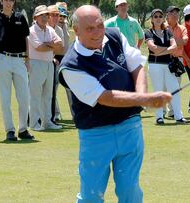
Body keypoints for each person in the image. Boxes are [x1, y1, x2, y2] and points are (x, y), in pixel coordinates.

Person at [59, 5, 172, 202]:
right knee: (91, 197)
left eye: (100, 25)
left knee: (131, 192)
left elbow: (136, 66)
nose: (97, 32)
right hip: (95, 134)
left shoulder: (114, 35)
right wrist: (145, 100)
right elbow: (104, 97)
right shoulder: (70, 65)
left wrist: (142, 95)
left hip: (130, 126)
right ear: (76, 31)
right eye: (90, 29)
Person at [0, 0, 34, 141]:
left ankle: (23, 129)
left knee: (24, 97)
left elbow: (26, 39)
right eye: (6, 0)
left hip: (20, 59)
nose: (8, 3)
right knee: (5, 98)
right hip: (3, 59)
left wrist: (27, 58)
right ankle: (10, 130)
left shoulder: (20, 18)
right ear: (1, 1)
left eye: (11, 0)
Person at [145, 9, 190, 125]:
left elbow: (174, 46)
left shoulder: (168, 32)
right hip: (155, 65)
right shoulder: (148, 32)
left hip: (168, 65)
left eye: (160, 16)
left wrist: (160, 52)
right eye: (155, 16)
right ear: (152, 19)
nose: (158, 18)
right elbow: (152, 47)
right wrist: (165, 50)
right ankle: (159, 117)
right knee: (159, 91)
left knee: (174, 89)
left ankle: (178, 116)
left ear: (163, 18)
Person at [28, 5, 63, 131]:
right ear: (36, 17)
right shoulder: (31, 30)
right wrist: (51, 45)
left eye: (46, 15)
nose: (45, 17)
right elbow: (39, 47)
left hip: (49, 63)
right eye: (42, 15)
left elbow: (60, 45)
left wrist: (47, 45)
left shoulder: (50, 30)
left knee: (48, 95)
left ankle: (47, 122)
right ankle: (33, 123)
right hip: (36, 63)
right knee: (35, 94)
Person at [164, 6, 188, 118]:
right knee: (163, 86)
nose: (175, 15)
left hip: (177, 59)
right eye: (172, 13)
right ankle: (163, 110)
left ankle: (173, 111)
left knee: (176, 86)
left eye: (177, 13)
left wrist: (171, 42)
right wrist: (176, 42)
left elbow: (185, 41)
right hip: (164, 59)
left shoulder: (182, 28)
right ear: (167, 15)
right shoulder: (162, 26)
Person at [46, 5, 64, 123]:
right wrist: (51, 47)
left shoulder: (59, 30)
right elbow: (38, 46)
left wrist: (49, 47)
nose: (56, 17)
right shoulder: (42, 27)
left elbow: (60, 48)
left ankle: (51, 117)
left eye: (58, 15)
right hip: (41, 61)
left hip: (55, 62)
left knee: (52, 91)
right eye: (53, 14)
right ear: (48, 16)